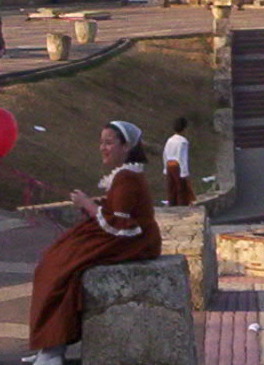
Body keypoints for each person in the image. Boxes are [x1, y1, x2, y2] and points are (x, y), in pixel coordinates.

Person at [28, 121, 162, 365]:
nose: (103, 148)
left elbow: (119, 225)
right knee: (55, 260)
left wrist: (87, 205)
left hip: (133, 240)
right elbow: (118, 210)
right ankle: (49, 345)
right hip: (128, 237)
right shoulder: (125, 175)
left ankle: (53, 349)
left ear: (126, 146)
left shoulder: (127, 177)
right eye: (102, 142)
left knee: (59, 267)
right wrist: (96, 203)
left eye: (109, 143)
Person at [163, 117, 195, 206]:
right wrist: (184, 173)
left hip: (169, 165)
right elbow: (182, 157)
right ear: (184, 129)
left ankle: (172, 206)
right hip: (177, 166)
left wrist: (165, 168)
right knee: (181, 190)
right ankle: (182, 207)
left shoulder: (170, 140)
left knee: (171, 189)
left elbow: (165, 154)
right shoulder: (183, 141)